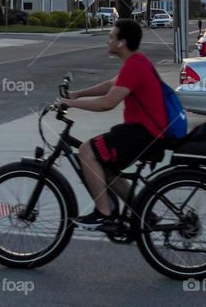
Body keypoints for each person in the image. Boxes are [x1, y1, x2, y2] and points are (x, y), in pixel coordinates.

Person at [59, 18, 167, 231]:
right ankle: (142, 211)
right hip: (146, 132)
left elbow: (108, 103)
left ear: (122, 43)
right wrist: (77, 93)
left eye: (111, 37)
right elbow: (110, 85)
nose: (107, 40)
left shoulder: (134, 66)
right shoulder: (137, 61)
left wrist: (72, 104)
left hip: (143, 134)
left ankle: (104, 213)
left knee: (87, 151)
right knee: (106, 166)